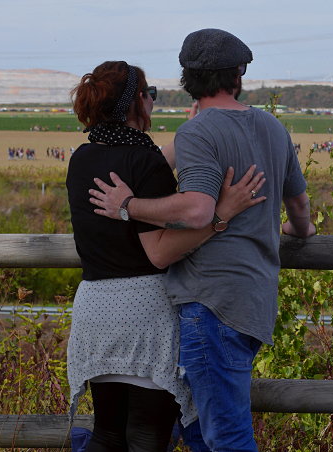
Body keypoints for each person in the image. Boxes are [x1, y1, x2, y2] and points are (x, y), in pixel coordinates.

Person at [89, 29, 316, 451]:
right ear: (239, 72)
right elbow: (301, 211)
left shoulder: (198, 133)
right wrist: (296, 232)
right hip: (255, 298)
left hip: (211, 300)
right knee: (201, 430)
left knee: (225, 436)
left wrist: (129, 205)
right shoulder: (273, 128)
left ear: (187, 77)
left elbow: (196, 209)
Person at [67, 60, 266, 452]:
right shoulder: (143, 163)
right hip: (144, 313)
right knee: (147, 437)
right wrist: (221, 216)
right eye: (151, 96)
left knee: (107, 434)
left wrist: (191, 129)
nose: (153, 104)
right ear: (137, 102)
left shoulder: (82, 158)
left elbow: (138, 160)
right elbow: (158, 254)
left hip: (94, 310)